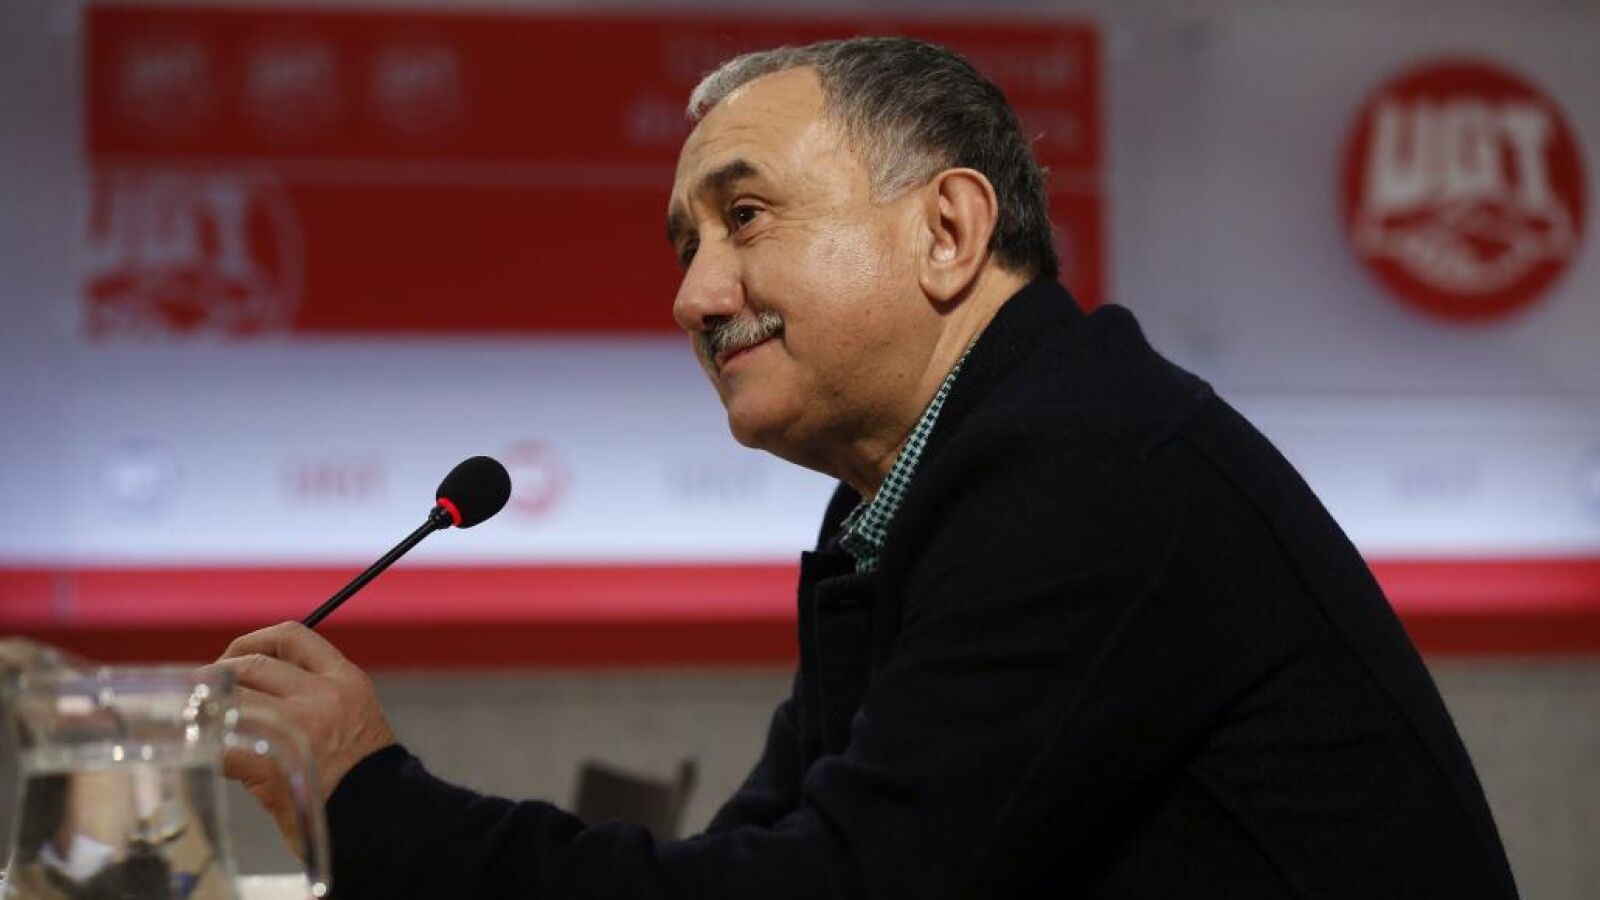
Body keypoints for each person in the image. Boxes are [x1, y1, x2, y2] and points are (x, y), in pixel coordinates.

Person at [218, 37, 1521, 899]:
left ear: (948, 229)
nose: (692, 296)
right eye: (684, 247)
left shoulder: (1085, 468)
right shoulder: (908, 497)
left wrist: (372, 800)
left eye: (743, 218)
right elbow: (761, 862)